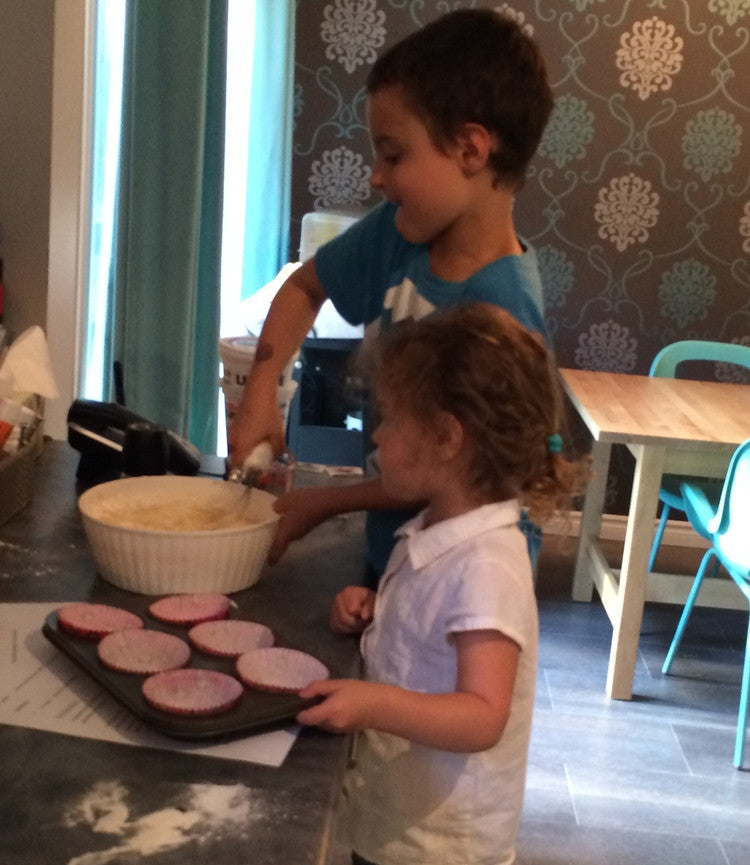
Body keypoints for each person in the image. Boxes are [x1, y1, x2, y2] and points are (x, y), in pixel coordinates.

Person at [295, 304, 589, 865]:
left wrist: (372, 701)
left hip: (442, 862)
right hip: (402, 829)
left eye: (392, 418)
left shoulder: (487, 562)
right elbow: (427, 640)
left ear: (447, 437)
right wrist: (371, 616)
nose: (378, 435)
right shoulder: (439, 531)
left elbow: (481, 713)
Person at [227, 8, 554, 579]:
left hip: (463, 579)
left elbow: (454, 474)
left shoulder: (501, 305)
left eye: (394, 154)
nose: (376, 176)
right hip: (399, 552)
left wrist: (321, 502)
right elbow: (305, 286)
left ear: (471, 151)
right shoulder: (398, 232)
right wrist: (261, 391)